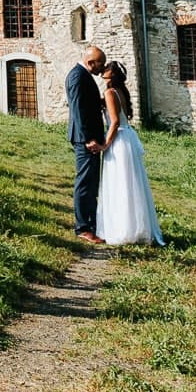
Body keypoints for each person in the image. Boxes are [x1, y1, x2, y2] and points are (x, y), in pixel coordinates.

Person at [96, 60, 166, 246]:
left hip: (118, 139)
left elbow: (115, 122)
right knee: (131, 182)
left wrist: (105, 145)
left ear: (112, 74)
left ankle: (123, 229)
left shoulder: (110, 92)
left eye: (107, 68)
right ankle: (136, 227)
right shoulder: (121, 92)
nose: (104, 69)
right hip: (127, 138)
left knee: (120, 183)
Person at [66, 45, 108, 244]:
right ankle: (83, 227)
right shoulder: (77, 76)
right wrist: (87, 138)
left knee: (91, 182)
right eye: (101, 64)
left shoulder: (84, 75)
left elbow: (86, 104)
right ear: (91, 62)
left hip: (90, 138)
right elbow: (78, 110)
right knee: (84, 182)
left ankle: (90, 223)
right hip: (86, 140)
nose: (103, 68)